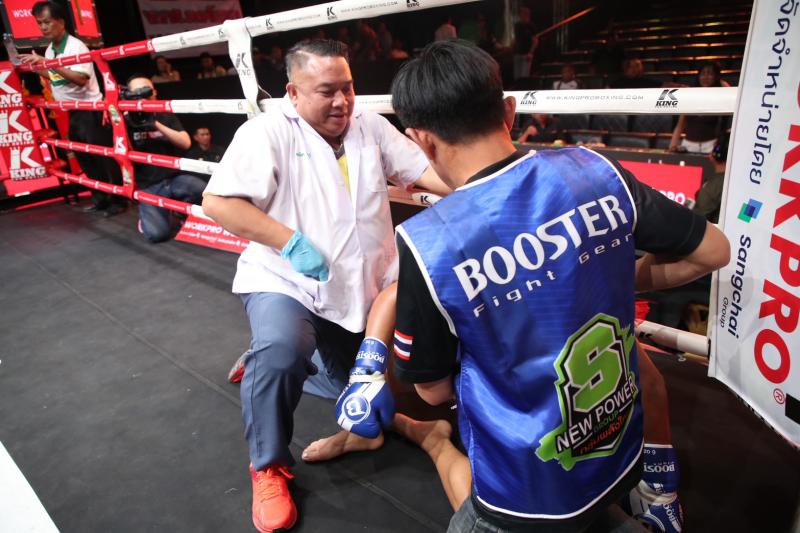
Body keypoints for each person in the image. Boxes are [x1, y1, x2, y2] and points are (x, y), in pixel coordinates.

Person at [386, 40, 729, 532]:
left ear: (420, 139)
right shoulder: (594, 170)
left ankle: (435, 444)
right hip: (619, 443)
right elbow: (714, 250)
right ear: (510, 111)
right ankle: (656, 496)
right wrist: (593, 275)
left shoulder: (428, 242)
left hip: (524, 483)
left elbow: (434, 390)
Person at [201, 39, 450, 533]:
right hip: (286, 280)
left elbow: (425, 171)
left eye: (348, 88)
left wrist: (486, 186)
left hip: (360, 291)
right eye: (326, 91)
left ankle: (269, 364)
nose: (342, 102)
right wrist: (289, 241)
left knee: (369, 399)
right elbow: (219, 202)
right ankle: (268, 466)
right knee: (282, 350)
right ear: (293, 92)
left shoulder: (370, 127)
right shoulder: (266, 133)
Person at [19, 1, 125, 216]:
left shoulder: (76, 46)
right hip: (72, 111)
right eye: (40, 23)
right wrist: (36, 68)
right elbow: (56, 76)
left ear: (60, 22)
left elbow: (79, 79)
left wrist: (47, 62)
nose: (43, 27)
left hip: (91, 110)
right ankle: (101, 199)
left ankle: (119, 201)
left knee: (103, 158)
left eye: (47, 22)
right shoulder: (50, 50)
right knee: (85, 159)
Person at [123, 75, 206, 243]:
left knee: (202, 190)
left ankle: (181, 212)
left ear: (154, 93)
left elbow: (185, 142)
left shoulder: (165, 114)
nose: (142, 96)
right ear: (130, 96)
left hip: (174, 178)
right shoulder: (125, 120)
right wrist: (125, 118)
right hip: (148, 185)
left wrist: (154, 123)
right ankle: (148, 216)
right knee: (157, 234)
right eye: (137, 92)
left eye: (146, 91)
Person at [669, 62, 729, 154]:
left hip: (710, 146)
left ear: (716, 76)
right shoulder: (690, 96)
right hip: (688, 145)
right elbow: (680, 125)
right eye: (703, 73)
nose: (706, 77)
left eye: (710, 73)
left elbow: (727, 88)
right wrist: (673, 145)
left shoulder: (719, 97)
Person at [693, 133, 729, 223]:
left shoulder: (711, 188)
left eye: (714, 147)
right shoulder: (745, 183)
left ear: (718, 153)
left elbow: (698, 220)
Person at [512, 6, 539, 80]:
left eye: (525, 14)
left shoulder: (531, 26)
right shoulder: (517, 25)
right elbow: (516, 39)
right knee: (517, 77)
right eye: (522, 14)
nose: (523, 16)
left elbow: (535, 41)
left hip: (526, 54)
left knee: (524, 77)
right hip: (517, 54)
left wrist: (530, 53)